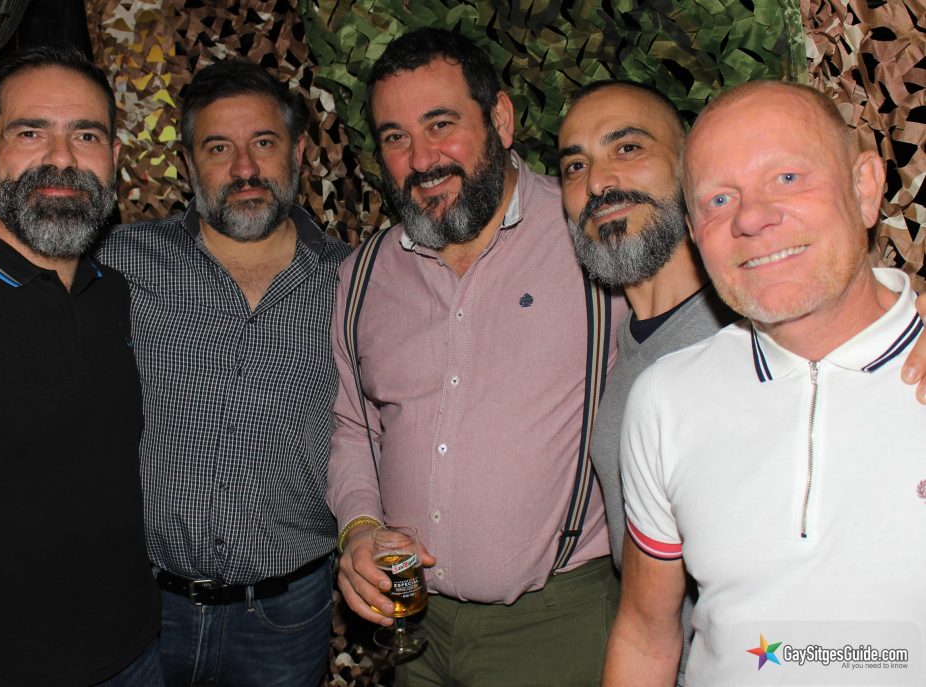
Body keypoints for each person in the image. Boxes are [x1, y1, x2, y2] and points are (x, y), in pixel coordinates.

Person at [327, 28, 627, 686]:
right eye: (396, 137)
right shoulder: (364, 275)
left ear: (501, 119)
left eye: (441, 124)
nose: (421, 159)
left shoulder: (594, 238)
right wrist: (359, 527)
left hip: (556, 625)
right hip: (411, 629)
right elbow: (353, 426)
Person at [604, 81, 926, 686]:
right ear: (694, 234)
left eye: (787, 178)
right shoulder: (664, 399)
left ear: (865, 187)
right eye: (720, 199)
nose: (751, 218)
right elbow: (646, 635)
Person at [0, 46, 161, 686]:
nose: (62, 158)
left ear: (115, 159)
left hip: (136, 658)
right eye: (31, 132)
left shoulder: (112, 295)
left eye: (86, 135)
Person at [98, 59, 351, 687]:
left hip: (286, 614)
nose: (244, 169)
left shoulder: (355, 282)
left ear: (297, 151)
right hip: (139, 606)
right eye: (218, 148)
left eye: (263, 143)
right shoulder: (120, 262)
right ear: (189, 163)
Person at [557, 80, 737, 684]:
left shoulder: (750, 331)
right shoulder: (625, 340)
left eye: (627, 148)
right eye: (575, 165)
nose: (598, 183)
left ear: (689, 165)